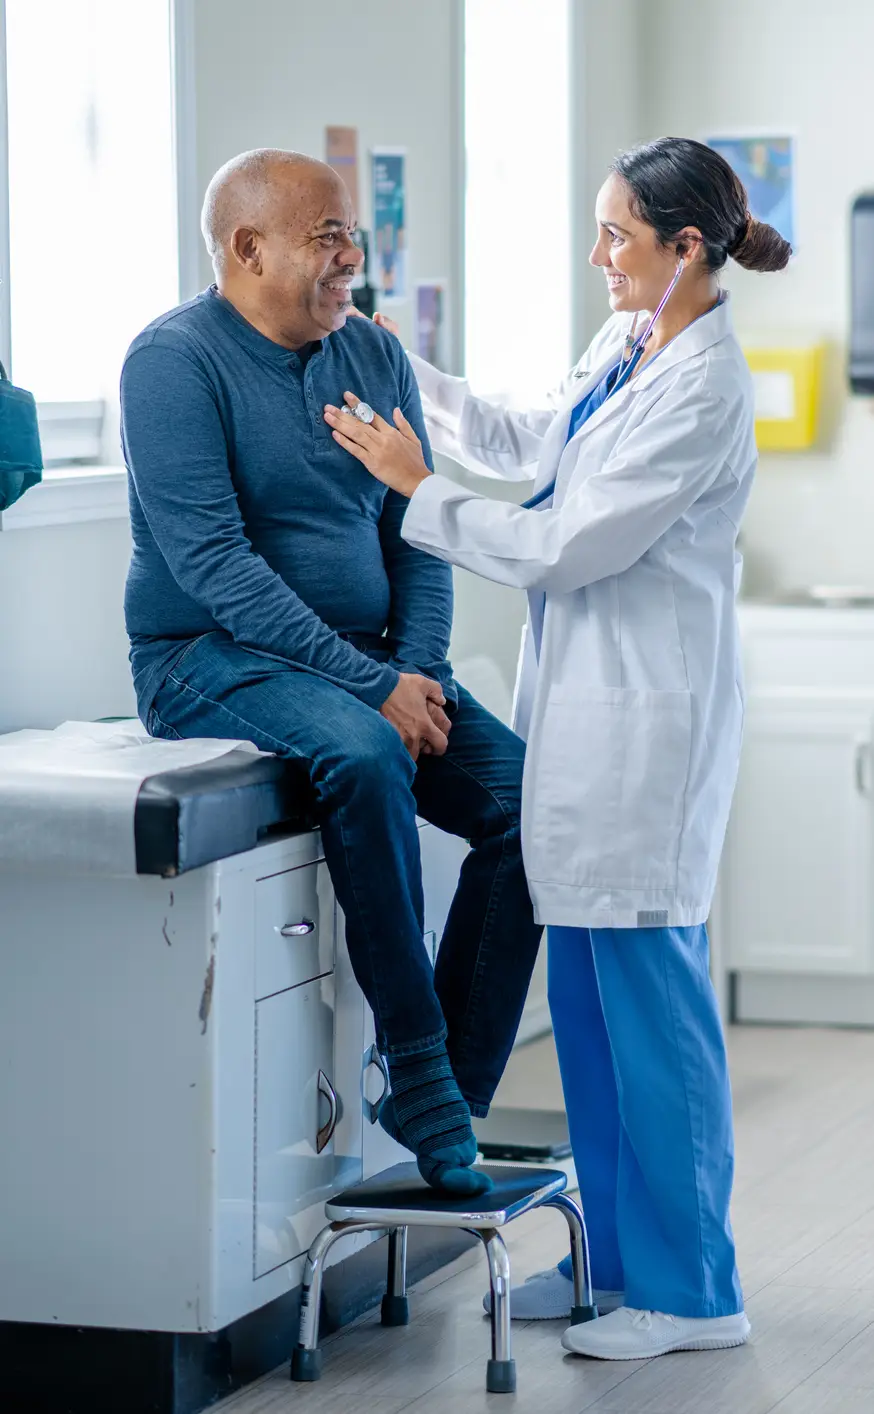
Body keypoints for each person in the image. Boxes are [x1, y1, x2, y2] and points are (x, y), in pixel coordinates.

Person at [323, 137, 791, 1360]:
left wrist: (417, 486)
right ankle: (619, 1267)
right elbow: (534, 432)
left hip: (649, 732)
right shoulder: (632, 342)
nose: (598, 256)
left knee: (651, 1023)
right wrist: (392, 362)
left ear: (686, 249)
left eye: (615, 236)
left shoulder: (702, 386)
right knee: (582, 1012)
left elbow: (570, 541)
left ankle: (694, 1293)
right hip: (584, 726)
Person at [120, 149, 543, 1196]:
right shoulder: (172, 363)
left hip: (368, 662)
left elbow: (416, 531)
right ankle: (420, 1062)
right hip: (209, 657)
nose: (352, 258)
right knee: (361, 754)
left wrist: (419, 670)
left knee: (535, 805)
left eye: (352, 233)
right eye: (327, 239)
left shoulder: (370, 352)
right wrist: (373, 693)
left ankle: (449, 1076)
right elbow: (214, 566)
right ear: (245, 249)